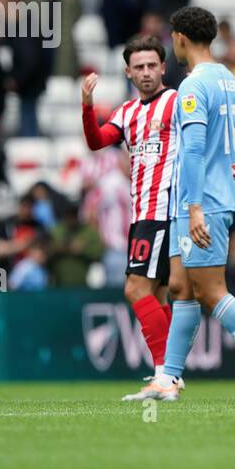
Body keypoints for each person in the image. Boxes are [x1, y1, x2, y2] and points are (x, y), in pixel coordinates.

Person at [123, 7, 235, 402]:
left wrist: (196, 205)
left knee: (211, 291)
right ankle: (167, 378)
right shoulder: (229, 79)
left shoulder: (192, 85)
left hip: (200, 202)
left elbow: (196, 147)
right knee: (182, 288)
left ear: (181, 37)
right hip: (209, 197)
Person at [82, 34, 178, 382]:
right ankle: (171, 372)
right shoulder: (127, 112)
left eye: (153, 65)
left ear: (164, 67)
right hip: (143, 215)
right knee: (157, 293)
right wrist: (87, 104)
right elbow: (96, 142)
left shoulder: (176, 103)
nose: (147, 72)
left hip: (162, 211)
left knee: (135, 289)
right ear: (128, 73)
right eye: (139, 67)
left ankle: (165, 371)